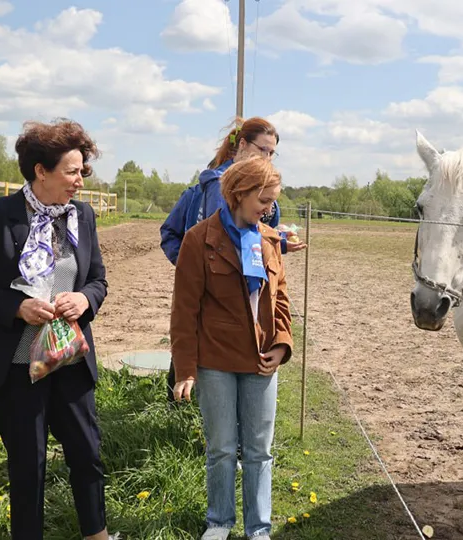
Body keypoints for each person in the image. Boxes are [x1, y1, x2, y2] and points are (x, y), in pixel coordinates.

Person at [0, 119, 115, 540]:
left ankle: (96, 534)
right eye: (72, 171)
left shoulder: (82, 216)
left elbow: (97, 280)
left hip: (70, 358)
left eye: (83, 171)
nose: (80, 181)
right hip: (18, 364)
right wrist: (17, 307)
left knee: (87, 452)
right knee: (28, 463)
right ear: (41, 170)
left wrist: (85, 300)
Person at [170, 156, 293, 540]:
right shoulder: (198, 240)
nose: (269, 208)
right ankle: (219, 522)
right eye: (263, 200)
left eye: (272, 200)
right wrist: (186, 369)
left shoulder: (271, 240)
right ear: (238, 194)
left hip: (262, 361)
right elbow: (184, 311)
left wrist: (283, 345)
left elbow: (283, 301)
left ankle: (259, 529)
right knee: (222, 448)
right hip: (216, 362)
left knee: (259, 449)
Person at [159, 116, 306, 402]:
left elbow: (255, 238)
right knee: (202, 351)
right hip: (221, 298)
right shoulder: (218, 185)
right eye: (262, 149)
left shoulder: (246, 184)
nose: (267, 157)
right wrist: (194, 267)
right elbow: (225, 244)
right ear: (242, 145)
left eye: (272, 153)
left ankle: (181, 413)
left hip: (234, 297)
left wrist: (277, 244)